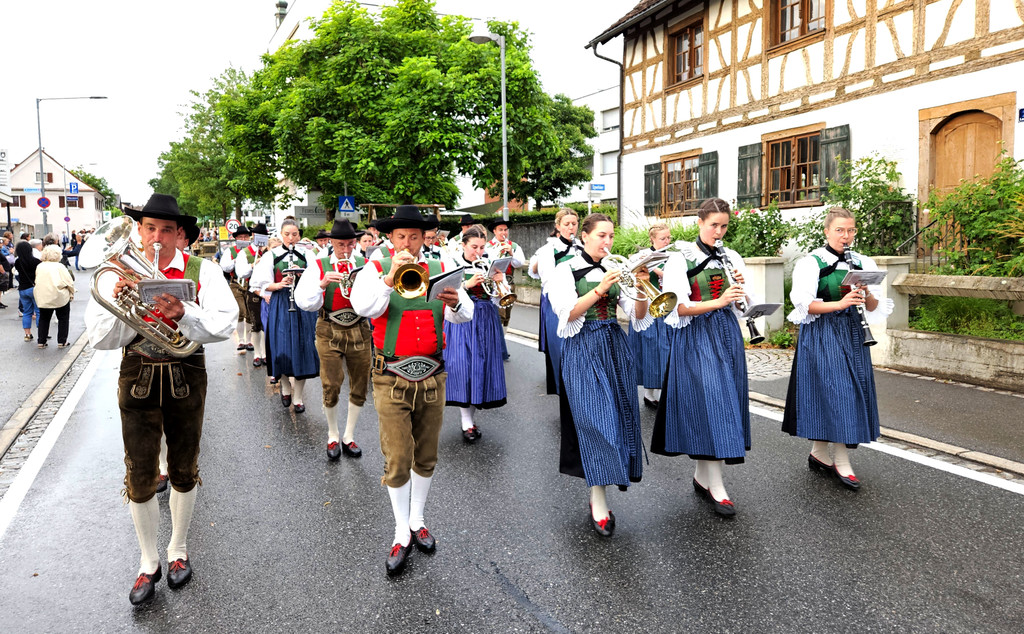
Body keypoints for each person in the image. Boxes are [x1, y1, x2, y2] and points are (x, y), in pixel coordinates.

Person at [84, 193, 238, 605]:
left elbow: (226, 322)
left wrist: (184, 314)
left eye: (166, 230)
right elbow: (99, 339)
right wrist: (119, 304)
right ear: (138, 230)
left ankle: (178, 549)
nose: (157, 237)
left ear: (180, 235)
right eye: (149, 228)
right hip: (137, 372)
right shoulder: (116, 271)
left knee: (184, 467)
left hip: (187, 371)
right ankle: (148, 560)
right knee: (139, 472)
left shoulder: (202, 270)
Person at [349, 205, 473, 576]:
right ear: (390, 237)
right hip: (391, 374)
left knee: (428, 454)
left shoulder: (441, 265)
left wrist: (457, 302)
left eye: (415, 236)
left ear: (425, 238)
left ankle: (417, 518)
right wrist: (389, 278)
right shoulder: (373, 268)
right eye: (401, 236)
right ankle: (401, 530)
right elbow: (362, 307)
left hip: (433, 373)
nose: (407, 243)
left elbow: (463, 315)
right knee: (398, 456)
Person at [548, 213, 651, 537]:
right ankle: (598, 498)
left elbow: (636, 314)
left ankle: (604, 488)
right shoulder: (565, 269)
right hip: (582, 348)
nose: (608, 242)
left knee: (619, 417)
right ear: (585, 237)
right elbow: (565, 314)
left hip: (614, 345)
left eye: (611, 236)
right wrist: (599, 289)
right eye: (601, 236)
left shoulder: (613, 268)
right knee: (597, 421)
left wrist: (642, 288)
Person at [651, 199, 755, 516]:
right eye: (714, 225)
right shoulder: (679, 259)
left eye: (724, 226)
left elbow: (740, 306)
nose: (719, 232)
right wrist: (719, 300)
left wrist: (741, 293)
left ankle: (701, 476)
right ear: (700, 222)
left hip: (726, 334)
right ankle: (717, 486)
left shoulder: (730, 255)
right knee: (713, 403)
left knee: (722, 401)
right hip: (695, 335)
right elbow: (678, 308)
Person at [782, 207, 892, 490]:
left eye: (851, 230)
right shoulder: (811, 262)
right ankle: (842, 460)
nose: (846, 236)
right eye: (840, 230)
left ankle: (819, 453)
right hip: (822, 331)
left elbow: (875, 306)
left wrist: (866, 293)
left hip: (854, 332)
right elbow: (805, 305)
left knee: (848, 391)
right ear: (827, 231)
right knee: (838, 392)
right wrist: (841, 304)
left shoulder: (862, 261)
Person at [295, 219, 371, 460]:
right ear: (332, 243)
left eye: (350, 244)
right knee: (331, 384)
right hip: (328, 327)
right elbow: (303, 302)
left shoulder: (366, 265)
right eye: (341, 245)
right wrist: (321, 284)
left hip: (359, 328)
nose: (346, 249)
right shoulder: (319, 265)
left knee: (359, 384)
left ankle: (349, 435)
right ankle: (332, 434)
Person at [444, 225, 508, 442]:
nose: (478, 252)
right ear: (463, 245)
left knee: (481, 366)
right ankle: (466, 422)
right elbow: (445, 293)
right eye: (473, 247)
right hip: (461, 317)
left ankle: (469, 421)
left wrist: (500, 285)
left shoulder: (490, 263)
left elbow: (501, 299)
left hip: (486, 318)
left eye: (481, 247)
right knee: (463, 367)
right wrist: (467, 285)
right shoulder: (453, 264)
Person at [251, 219, 320, 412]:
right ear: (281, 235)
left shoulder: (308, 254)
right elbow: (261, 284)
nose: (291, 238)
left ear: (299, 235)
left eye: (295, 234)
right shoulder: (271, 255)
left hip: (302, 304)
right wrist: (280, 284)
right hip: (281, 303)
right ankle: (285, 386)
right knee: (280, 348)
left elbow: (317, 279)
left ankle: (298, 397)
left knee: (303, 348)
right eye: (287, 234)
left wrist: (303, 277)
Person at [529, 208, 580, 394]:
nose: (571, 228)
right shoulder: (548, 250)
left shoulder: (581, 246)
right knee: (561, 345)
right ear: (558, 226)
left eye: (574, 224)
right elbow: (547, 280)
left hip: (580, 301)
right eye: (566, 224)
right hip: (557, 302)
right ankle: (564, 390)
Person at [629, 224, 673, 409]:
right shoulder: (642, 256)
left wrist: (657, 268)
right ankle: (649, 394)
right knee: (649, 350)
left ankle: (665, 393)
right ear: (652, 239)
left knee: (666, 350)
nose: (667, 241)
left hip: (667, 307)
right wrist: (645, 264)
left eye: (669, 237)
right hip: (647, 308)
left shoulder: (673, 257)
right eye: (663, 238)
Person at [233, 224, 270, 367]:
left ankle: (266, 354)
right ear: (253, 236)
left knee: (268, 324)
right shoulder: (245, 252)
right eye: (258, 235)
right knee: (256, 323)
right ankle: (257, 354)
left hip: (269, 290)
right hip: (252, 290)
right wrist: (254, 265)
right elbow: (241, 273)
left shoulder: (270, 251)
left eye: (263, 236)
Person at [221, 225, 255, 354]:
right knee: (240, 311)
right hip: (236, 283)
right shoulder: (231, 251)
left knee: (250, 313)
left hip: (250, 284)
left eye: (245, 236)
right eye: (240, 237)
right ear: (236, 239)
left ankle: (250, 340)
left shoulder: (253, 251)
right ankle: (241, 340)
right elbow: (225, 267)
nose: (243, 238)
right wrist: (236, 261)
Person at [33, 245, 75, 349]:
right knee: (63, 318)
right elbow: (68, 281)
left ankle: (41, 341)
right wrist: (71, 292)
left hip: (44, 296)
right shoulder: (59, 266)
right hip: (59, 296)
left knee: (44, 318)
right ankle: (62, 341)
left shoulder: (40, 266)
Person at [14, 241, 40, 341]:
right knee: (38, 311)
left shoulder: (17, 262)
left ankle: (27, 334)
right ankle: (41, 333)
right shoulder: (36, 261)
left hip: (22, 289)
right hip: (33, 288)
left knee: (27, 312)